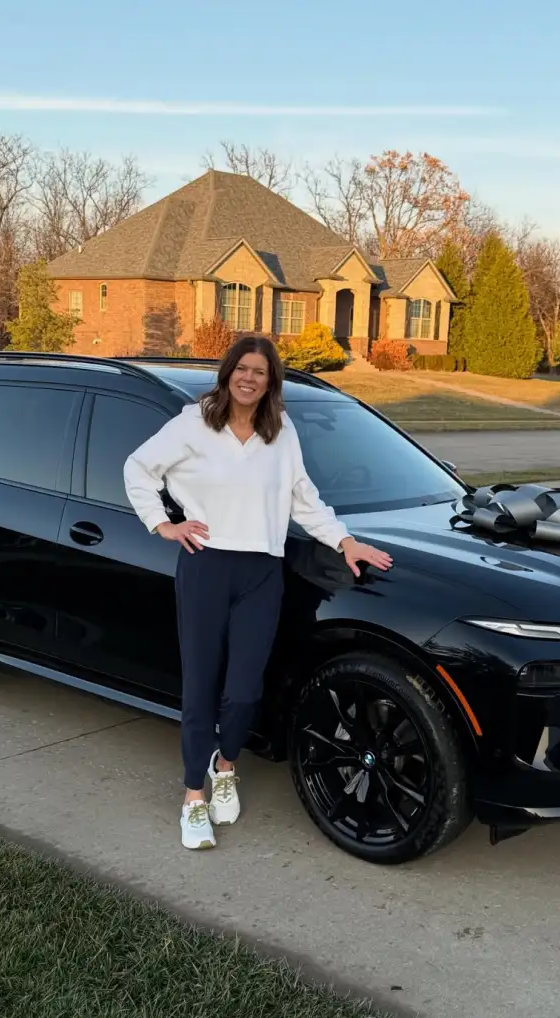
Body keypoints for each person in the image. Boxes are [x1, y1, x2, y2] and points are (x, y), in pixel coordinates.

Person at [123, 336, 393, 850]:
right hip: (206, 567)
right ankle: (194, 797)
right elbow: (138, 468)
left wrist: (345, 541)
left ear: (271, 382)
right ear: (228, 373)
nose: (249, 378)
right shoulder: (194, 423)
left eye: (260, 372)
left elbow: (303, 498)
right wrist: (163, 524)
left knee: (245, 690)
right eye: (242, 369)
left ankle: (226, 767)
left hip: (262, 573)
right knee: (201, 687)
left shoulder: (280, 431)